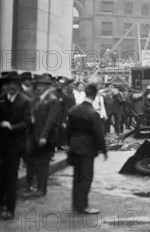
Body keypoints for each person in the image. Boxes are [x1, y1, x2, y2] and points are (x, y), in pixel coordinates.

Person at [66, 84, 108, 215]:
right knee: (86, 177)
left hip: (74, 146)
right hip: (87, 148)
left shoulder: (73, 110)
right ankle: (82, 206)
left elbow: (68, 130)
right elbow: (98, 134)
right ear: (94, 96)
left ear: (85, 94)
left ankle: (75, 205)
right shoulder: (93, 113)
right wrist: (104, 150)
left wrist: (68, 144)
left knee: (77, 177)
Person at [0, 72, 33, 220]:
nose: (11, 86)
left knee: (12, 177)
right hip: (2, 144)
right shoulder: (1, 100)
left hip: (15, 146)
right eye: (8, 83)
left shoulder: (25, 101)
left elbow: (27, 123)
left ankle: (10, 208)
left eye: (14, 83)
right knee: (1, 176)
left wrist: (11, 126)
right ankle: (1, 205)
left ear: (18, 86)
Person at [24, 74, 61, 198]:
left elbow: (51, 121)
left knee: (43, 164)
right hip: (33, 134)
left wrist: (44, 135)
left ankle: (41, 189)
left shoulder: (53, 100)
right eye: (37, 85)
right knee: (30, 161)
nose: (39, 87)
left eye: (41, 85)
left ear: (47, 87)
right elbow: (30, 115)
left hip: (46, 137)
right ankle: (29, 186)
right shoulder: (36, 99)